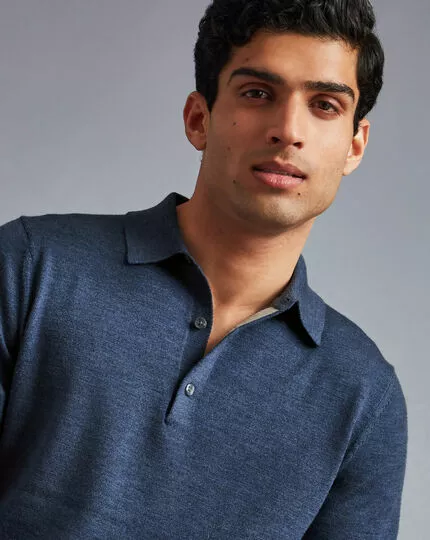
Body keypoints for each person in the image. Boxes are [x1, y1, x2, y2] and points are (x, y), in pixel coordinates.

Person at [0, 0, 408, 538]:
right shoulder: (31, 266)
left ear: (354, 146)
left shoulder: (365, 396)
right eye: (258, 93)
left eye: (325, 105)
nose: (289, 129)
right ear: (199, 119)